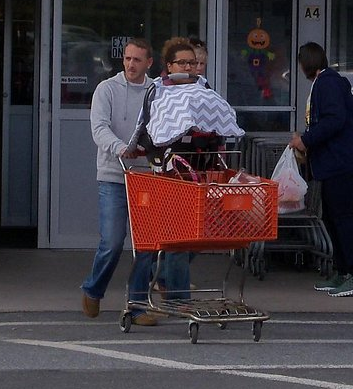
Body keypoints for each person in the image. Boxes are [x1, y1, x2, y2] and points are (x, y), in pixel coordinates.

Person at [131, 37, 243, 306]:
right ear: (169, 66)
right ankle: (179, 299)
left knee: (200, 233)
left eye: (194, 63)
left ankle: (167, 279)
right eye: (184, 62)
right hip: (171, 173)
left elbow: (219, 118)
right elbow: (148, 129)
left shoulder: (203, 89)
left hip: (202, 170)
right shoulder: (158, 92)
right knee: (179, 238)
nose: (191, 67)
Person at [79, 38, 157, 323]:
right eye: (127, 59)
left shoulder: (156, 91)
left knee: (146, 244)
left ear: (149, 63)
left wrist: (149, 149)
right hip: (114, 175)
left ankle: (137, 305)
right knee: (112, 242)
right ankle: (93, 288)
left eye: (137, 60)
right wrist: (120, 148)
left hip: (146, 176)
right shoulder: (107, 89)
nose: (130, 64)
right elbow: (99, 128)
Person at [291, 42, 353, 298]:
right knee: (332, 217)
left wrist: (306, 140)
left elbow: (334, 119)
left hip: (343, 161)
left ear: (305, 62)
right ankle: (342, 271)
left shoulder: (328, 83)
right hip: (337, 162)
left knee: (341, 217)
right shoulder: (326, 82)